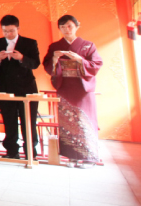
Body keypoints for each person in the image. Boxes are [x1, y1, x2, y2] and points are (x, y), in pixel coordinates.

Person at [42, 14, 103, 168]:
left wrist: (80, 60)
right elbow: (48, 66)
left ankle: (89, 158)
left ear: (77, 26)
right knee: (67, 122)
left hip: (83, 89)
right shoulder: (55, 46)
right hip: (65, 87)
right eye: (62, 27)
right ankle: (71, 157)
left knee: (85, 122)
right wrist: (55, 59)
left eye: (69, 26)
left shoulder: (88, 46)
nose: (66, 29)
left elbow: (96, 64)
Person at [0, 14, 40, 160]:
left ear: (18, 28)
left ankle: (30, 153)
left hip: (26, 88)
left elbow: (35, 63)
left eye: (11, 31)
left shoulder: (30, 43)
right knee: (9, 121)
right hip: (4, 87)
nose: (8, 34)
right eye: (5, 31)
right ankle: (11, 151)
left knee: (28, 120)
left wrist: (22, 58)